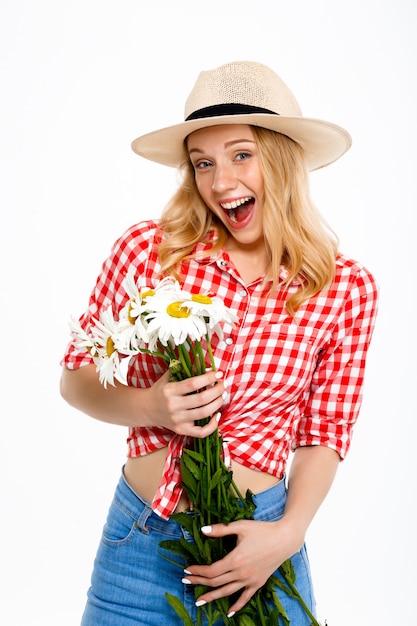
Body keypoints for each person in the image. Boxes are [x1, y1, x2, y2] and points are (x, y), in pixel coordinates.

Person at [60, 60, 379, 625]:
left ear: (281, 157)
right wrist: (149, 405)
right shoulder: (148, 252)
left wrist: (287, 534)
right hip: (140, 547)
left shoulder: (344, 288)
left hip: (261, 551)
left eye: (241, 155)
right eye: (203, 163)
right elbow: (77, 375)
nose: (221, 182)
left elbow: (324, 433)